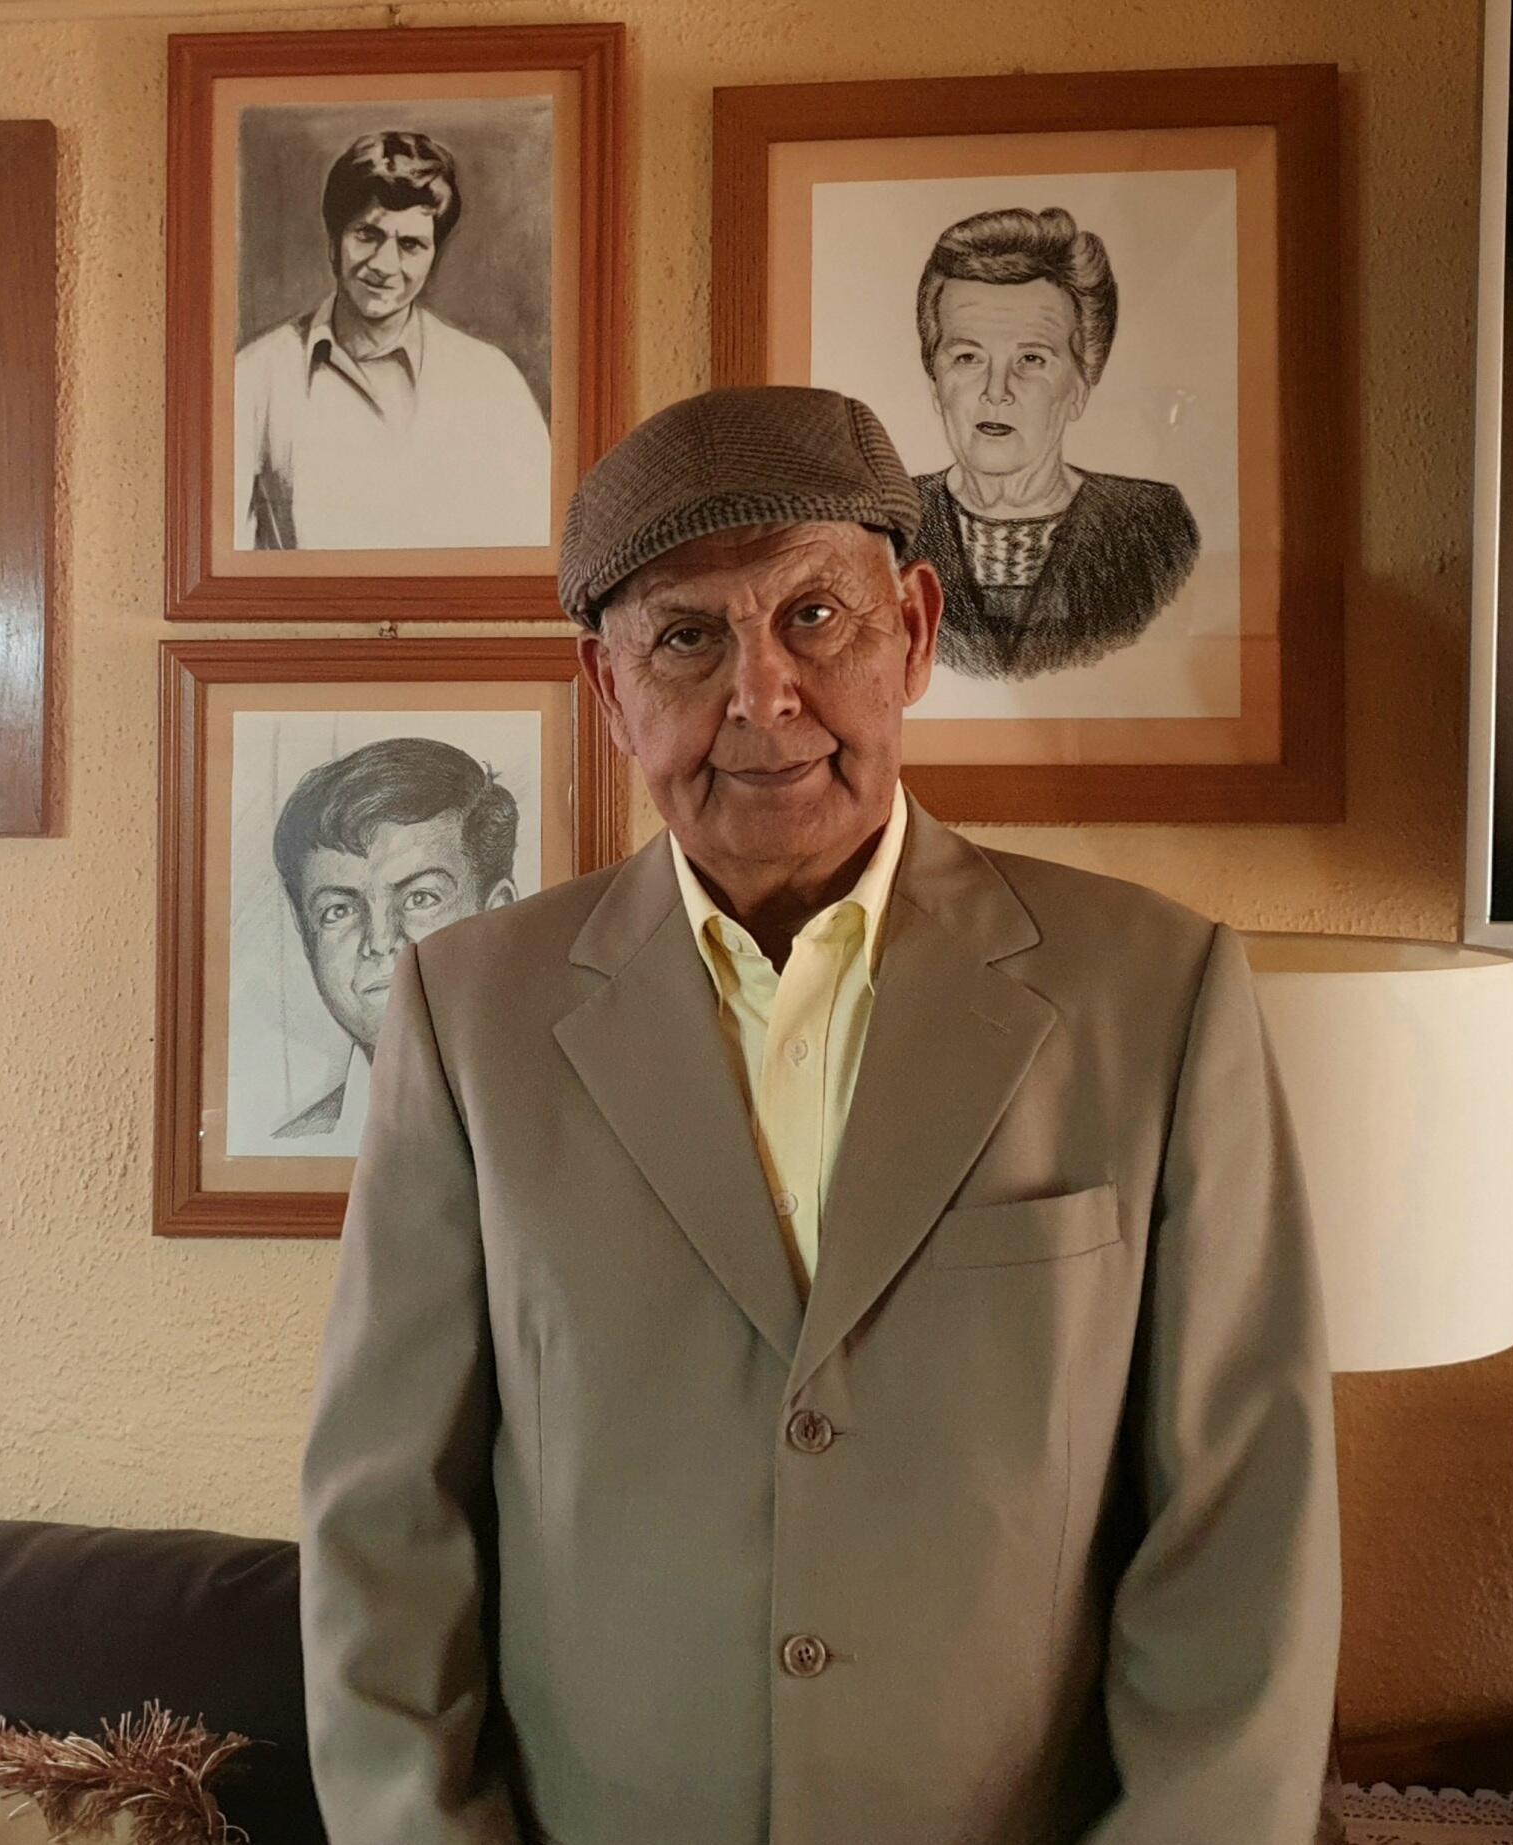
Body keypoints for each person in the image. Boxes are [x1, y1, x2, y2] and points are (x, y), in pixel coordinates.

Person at [301, 384, 1339, 1842]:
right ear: (610, 693)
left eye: (813, 617)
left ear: (912, 632)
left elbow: (1242, 1543)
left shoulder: (1154, 997)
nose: (761, 697)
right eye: (687, 636)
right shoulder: (467, 1018)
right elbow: (385, 1536)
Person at [909, 206, 1200, 683]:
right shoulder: (883, 524)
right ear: (935, 381)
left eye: (1030, 358)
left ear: (1081, 384)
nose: (996, 390)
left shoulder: (1152, 528)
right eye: (967, 356)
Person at [233, 130, 552, 553]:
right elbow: (225, 559)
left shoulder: (491, 380)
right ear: (333, 243)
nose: (385, 265)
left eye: (410, 245)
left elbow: (536, 554)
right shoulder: (255, 377)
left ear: (433, 256)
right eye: (367, 235)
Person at [269, 736, 520, 1144]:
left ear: (498, 914)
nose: (380, 942)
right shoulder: (289, 1151)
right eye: (339, 910)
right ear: (306, 936)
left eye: (420, 899)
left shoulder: (564, 1126)